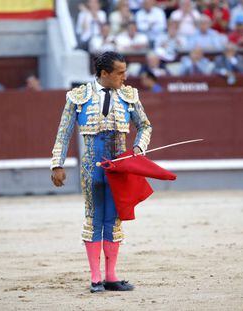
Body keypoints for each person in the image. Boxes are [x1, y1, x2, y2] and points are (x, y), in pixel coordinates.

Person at [50, 51, 152, 293]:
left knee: (114, 220)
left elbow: (145, 125)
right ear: (104, 73)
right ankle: (96, 278)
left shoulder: (129, 96)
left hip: (120, 169)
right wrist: (57, 164)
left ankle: (111, 276)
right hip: (91, 169)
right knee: (94, 219)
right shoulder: (78, 96)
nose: (125, 77)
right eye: (120, 73)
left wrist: (138, 147)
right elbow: (63, 132)